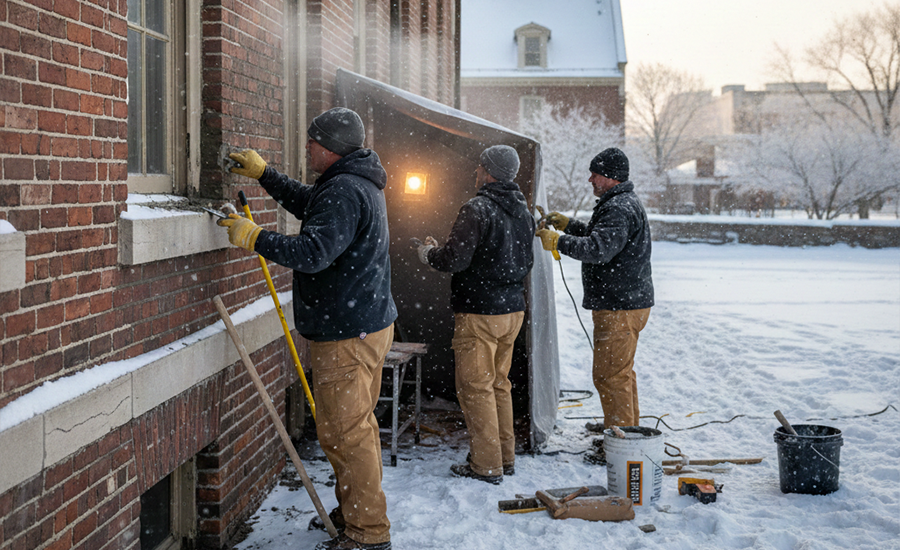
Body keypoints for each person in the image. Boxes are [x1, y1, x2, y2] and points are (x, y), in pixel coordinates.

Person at [220, 107, 396, 550]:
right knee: (353, 429)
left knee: (345, 434)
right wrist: (266, 175)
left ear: (331, 149)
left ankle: (368, 534)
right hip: (366, 326)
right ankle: (356, 510)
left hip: (347, 336)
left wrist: (253, 236)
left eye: (312, 142)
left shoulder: (344, 190)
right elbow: (312, 207)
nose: (307, 148)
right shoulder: (352, 183)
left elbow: (315, 250)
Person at [416, 145, 535, 485]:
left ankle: (486, 464)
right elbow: (526, 262)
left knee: (475, 388)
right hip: (512, 311)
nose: (476, 172)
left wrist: (428, 253)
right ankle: (505, 456)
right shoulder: (523, 212)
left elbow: (455, 259)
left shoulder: (477, 208)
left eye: (481, 167)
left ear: (488, 171)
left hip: (480, 312)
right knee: (499, 384)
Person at [535, 147, 653, 432]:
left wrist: (558, 241)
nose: (590, 179)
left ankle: (621, 439)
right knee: (619, 373)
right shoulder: (619, 203)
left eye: (595, 174)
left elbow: (599, 249)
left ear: (611, 177)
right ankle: (625, 429)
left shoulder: (618, 207)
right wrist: (570, 226)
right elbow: (603, 236)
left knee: (611, 376)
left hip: (620, 308)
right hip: (626, 303)